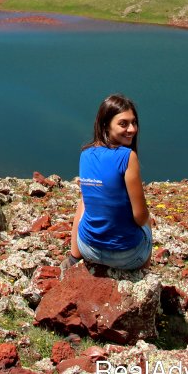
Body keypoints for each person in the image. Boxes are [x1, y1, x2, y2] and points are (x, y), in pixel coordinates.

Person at [64, 93, 152, 272]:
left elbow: (88, 203)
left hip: (88, 249)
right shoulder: (127, 157)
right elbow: (140, 217)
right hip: (126, 256)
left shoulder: (85, 154)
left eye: (133, 122)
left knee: (83, 202)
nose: (132, 129)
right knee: (148, 222)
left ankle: (73, 258)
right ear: (106, 125)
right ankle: (142, 274)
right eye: (123, 124)